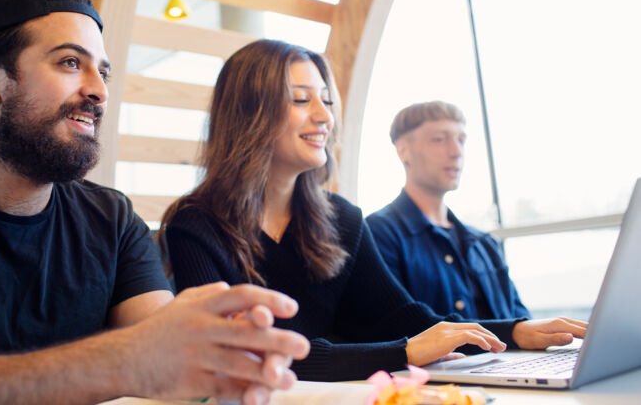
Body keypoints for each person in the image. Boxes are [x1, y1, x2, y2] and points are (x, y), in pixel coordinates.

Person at [0, 0, 310, 405]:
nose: (98, 90)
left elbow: (164, 351)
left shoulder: (112, 219)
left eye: (104, 71)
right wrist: (125, 360)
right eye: (70, 63)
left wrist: (223, 362)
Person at [160, 39, 586, 382]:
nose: (324, 116)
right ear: (249, 112)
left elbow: (404, 318)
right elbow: (246, 356)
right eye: (301, 100)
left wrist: (511, 333)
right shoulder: (195, 225)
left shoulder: (341, 219)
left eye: (326, 100)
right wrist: (401, 352)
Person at [365, 101, 529, 320]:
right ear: (403, 150)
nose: (456, 151)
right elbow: (398, 327)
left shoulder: (484, 243)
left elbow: (525, 325)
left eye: (461, 140)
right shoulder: (377, 235)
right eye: (439, 140)